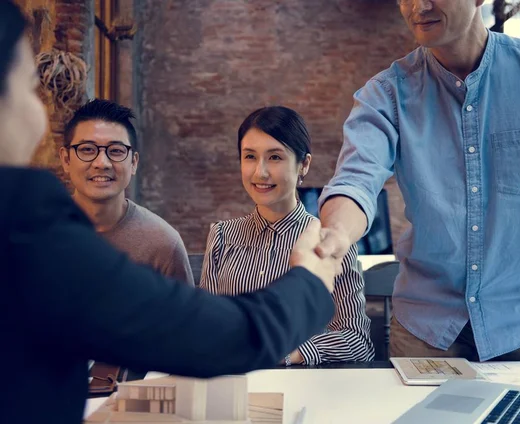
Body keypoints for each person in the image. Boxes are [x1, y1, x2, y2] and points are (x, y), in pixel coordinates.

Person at [0, 2, 337, 423]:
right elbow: (220, 335)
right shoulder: (28, 224)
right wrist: (310, 280)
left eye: (115, 151)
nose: (39, 110)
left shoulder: (156, 239)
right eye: (29, 87)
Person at [316, 0, 520, 383]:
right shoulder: (385, 95)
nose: (419, 6)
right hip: (426, 330)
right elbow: (355, 180)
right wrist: (334, 235)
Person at [201, 106, 374, 365]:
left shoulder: (329, 240)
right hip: (235, 385)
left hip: (302, 388)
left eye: (275, 157)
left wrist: (287, 354)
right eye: (250, 157)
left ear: (304, 164)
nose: (260, 172)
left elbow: (358, 341)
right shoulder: (222, 235)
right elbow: (208, 326)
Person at [59, 99, 194, 286]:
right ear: (66, 160)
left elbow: (181, 315)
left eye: (116, 151)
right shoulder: (33, 233)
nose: (102, 163)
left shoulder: (163, 244)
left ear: (134, 163)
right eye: (87, 150)